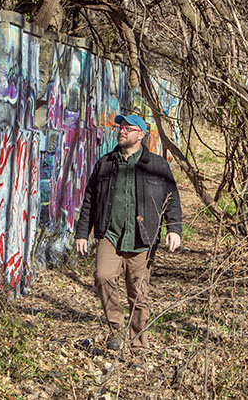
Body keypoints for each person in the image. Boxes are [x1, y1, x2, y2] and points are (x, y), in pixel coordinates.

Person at [74, 113, 182, 354]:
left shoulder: (157, 165)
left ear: (140, 134)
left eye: (128, 128)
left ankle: (138, 344)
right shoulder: (105, 163)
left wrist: (173, 228)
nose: (122, 131)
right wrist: (82, 233)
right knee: (103, 277)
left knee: (138, 293)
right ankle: (116, 327)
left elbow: (172, 199)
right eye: (121, 127)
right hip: (109, 234)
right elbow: (89, 199)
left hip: (142, 238)